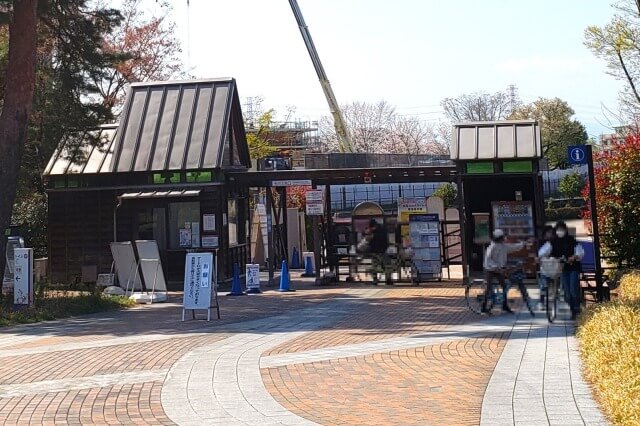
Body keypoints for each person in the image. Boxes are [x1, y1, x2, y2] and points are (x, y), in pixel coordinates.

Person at [482, 229, 526, 314]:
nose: (504, 239)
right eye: (502, 237)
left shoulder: (503, 246)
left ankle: (504, 305)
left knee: (504, 287)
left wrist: (522, 244)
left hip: (499, 269)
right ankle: (484, 307)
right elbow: (488, 260)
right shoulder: (492, 247)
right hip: (490, 269)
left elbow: (513, 247)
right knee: (488, 287)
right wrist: (495, 267)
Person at [548, 221, 584, 320]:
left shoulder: (571, 240)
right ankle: (573, 309)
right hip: (562, 269)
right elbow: (547, 252)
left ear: (565, 230)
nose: (560, 232)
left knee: (573, 290)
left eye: (562, 229)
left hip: (573, 267)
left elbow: (580, 251)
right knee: (567, 293)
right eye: (558, 230)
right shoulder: (553, 242)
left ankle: (576, 309)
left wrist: (575, 256)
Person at [536, 225, 556, 310]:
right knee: (543, 285)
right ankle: (541, 302)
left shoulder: (554, 242)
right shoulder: (541, 242)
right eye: (549, 232)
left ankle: (552, 300)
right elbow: (538, 253)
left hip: (554, 266)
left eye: (551, 233)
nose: (550, 234)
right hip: (544, 265)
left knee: (552, 283)